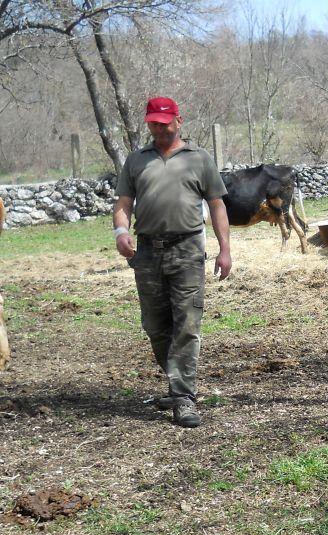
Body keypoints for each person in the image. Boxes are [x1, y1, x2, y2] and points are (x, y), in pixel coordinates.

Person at [113, 96, 231, 428]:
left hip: (187, 249)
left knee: (187, 324)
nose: (159, 128)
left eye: (165, 122)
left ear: (179, 121)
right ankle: (178, 382)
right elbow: (123, 203)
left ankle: (184, 397)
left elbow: (218, 205)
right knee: (155, 325)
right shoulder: (136, 161)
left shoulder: (199, 159)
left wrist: (225, 249)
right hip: (147, 252)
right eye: (153, 122)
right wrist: (121, 231)